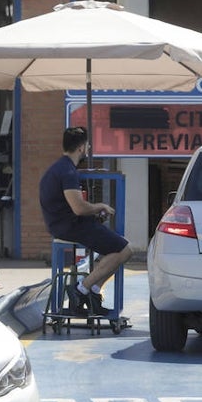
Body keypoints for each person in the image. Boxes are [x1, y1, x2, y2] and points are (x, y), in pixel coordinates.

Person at [38, 126, 131, 314]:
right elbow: (79, 208)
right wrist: (100, 206)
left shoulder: (59, 168)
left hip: (63, 224)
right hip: (69, 226)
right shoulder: (67, 172)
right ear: (82, 147)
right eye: (87, 145)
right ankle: (80, 289)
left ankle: (93, 292)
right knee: (125, 250)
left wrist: (93, 213)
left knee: (113, 250)